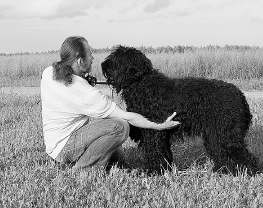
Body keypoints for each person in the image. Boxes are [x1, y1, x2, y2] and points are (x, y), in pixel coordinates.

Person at [40, 36, 179, 171]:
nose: (93, 58)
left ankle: (78, 159)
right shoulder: (87, 94)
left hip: (53, 145)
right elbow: (127, 117)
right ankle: (82, 169)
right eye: (90, 54)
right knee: (120, 126)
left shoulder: (49, 73)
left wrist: (82, 79)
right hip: (66, 147)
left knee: (118, 157)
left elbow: (70, 87)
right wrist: (159, 125)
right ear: (80, 61)